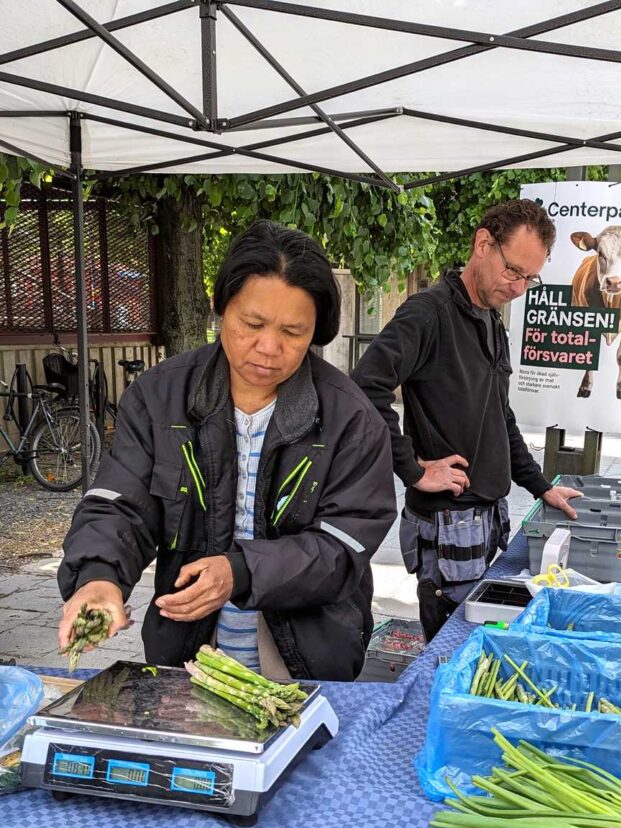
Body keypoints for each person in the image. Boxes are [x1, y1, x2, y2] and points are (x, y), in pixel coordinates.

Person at [58, 221, 396, 681]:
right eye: (252, 324)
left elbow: (342, 548)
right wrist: (98, 576)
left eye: (293, 332)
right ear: (219, 307)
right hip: (187, 650)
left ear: (317, 331)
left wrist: (240, 572)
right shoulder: (160, 397)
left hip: (308, 660)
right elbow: (119, 503)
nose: (269, 348)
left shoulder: (351, 419)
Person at [351, 198, 581, 641]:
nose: (518, 287)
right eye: (513, 271)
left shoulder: (492, 321)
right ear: (482, 244)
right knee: (450, 651)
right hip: (447, 530)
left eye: (530, 279)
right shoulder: (428, 313)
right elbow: (364, 387)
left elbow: (500, 415)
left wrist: (541, 486)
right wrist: (413, 469)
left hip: (488, 522)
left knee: (482, 644)